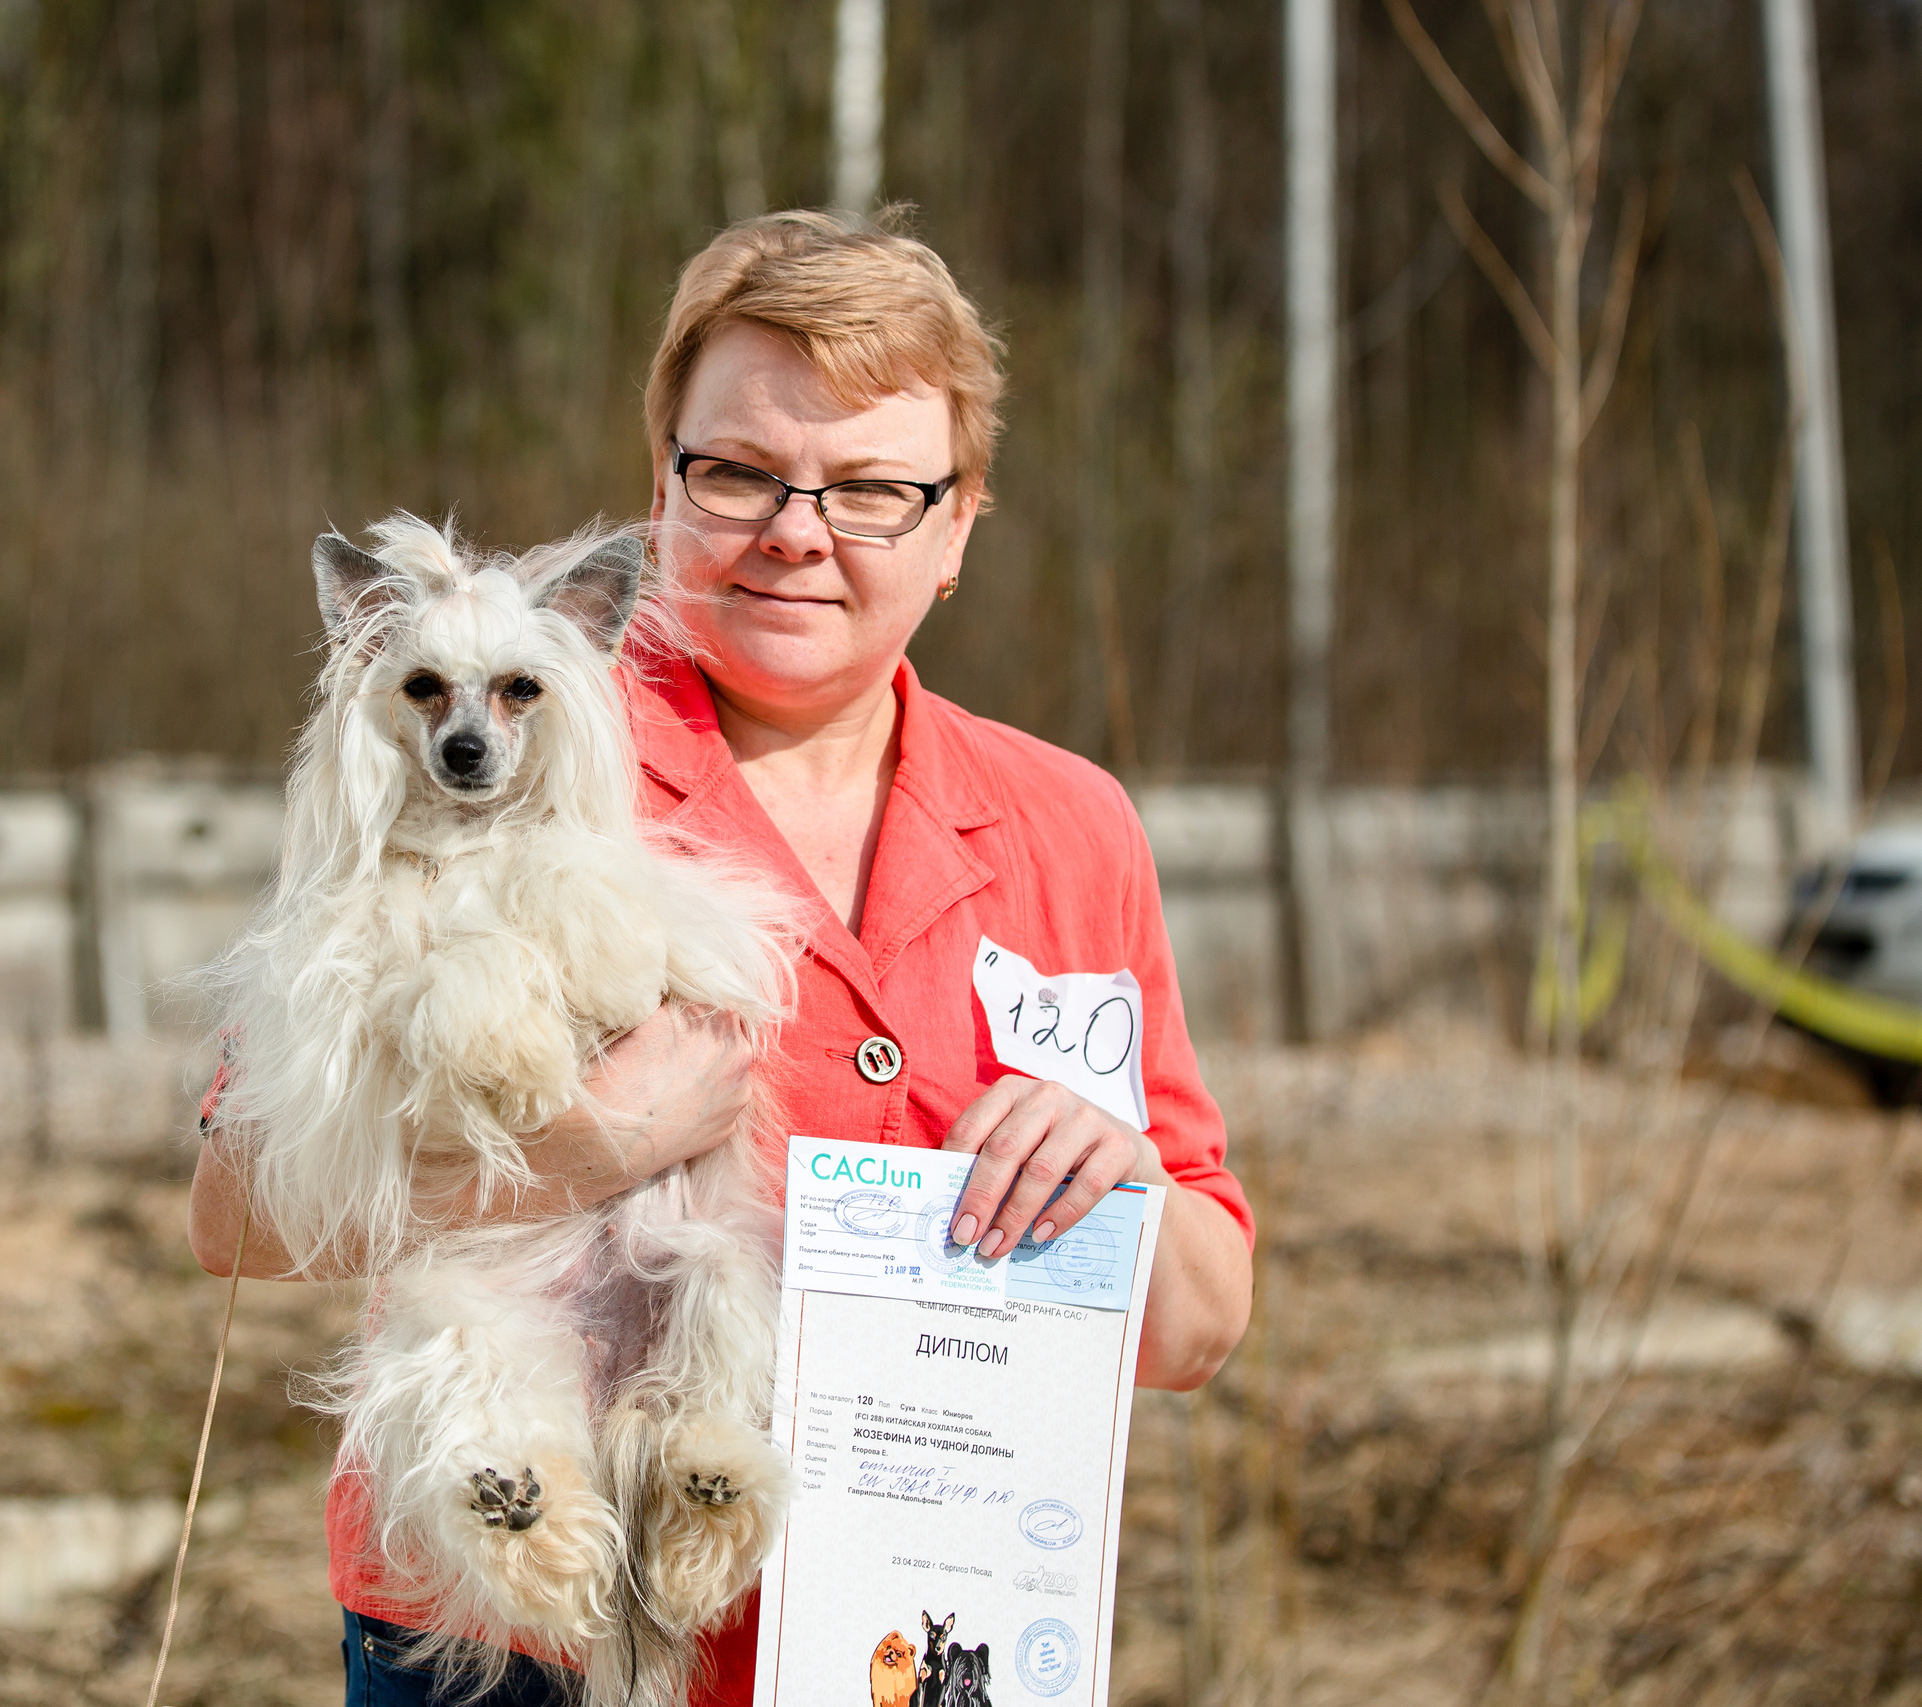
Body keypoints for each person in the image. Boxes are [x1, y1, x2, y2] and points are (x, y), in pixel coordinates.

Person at [189, 209, 1256, 1707]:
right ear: (664, 488)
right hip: (519, 1652)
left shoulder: (1071, 828)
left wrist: (1119, 1192)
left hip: (916, 1645)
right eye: (742, 471)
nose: (799, 532)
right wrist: (589, 1148)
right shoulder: (492, 746)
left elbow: (1202, 1325)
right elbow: (236, 1212)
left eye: (876, 489)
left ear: (959, 529)